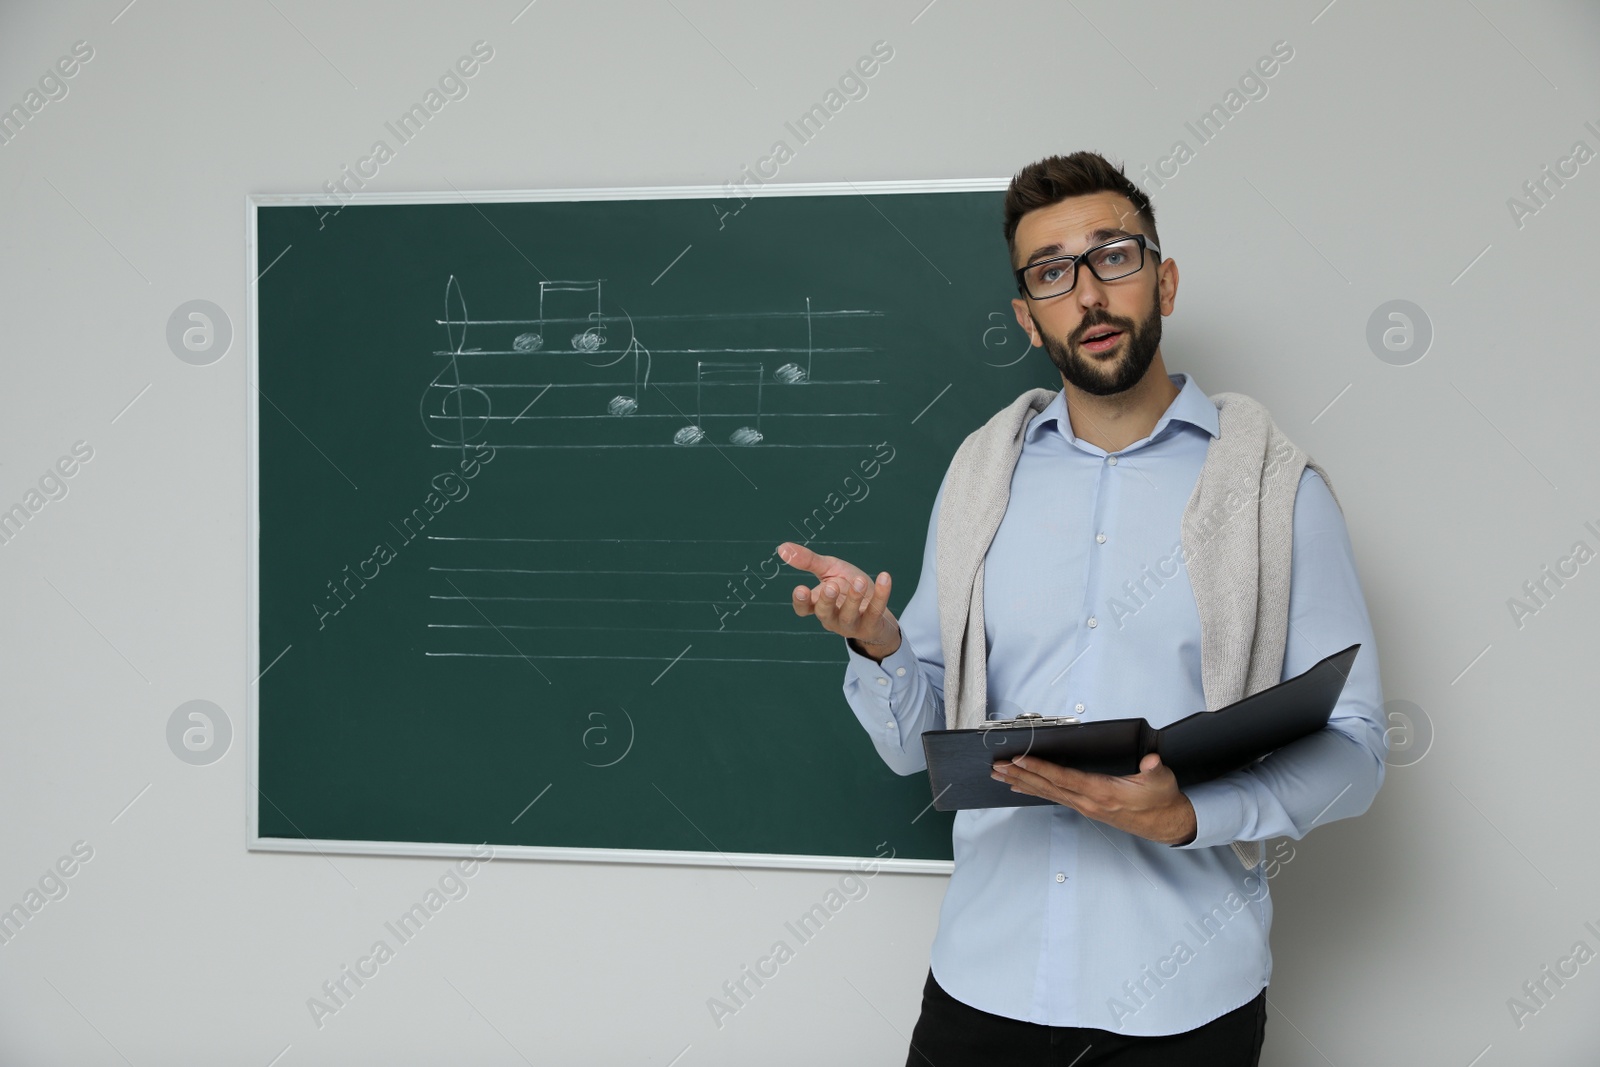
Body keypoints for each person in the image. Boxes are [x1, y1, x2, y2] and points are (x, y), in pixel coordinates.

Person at [776, 151, 1387, 1066]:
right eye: (1053, 272)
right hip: (980, 990)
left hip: (1185, 1004)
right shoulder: (982, 480)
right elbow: (917, 749)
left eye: (1115, 256)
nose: (1089, 294)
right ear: (1029, 316)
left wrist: (1191, 816)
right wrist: (879, 645)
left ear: (1164, 279)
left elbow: (1360, 748)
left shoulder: (1275, 493)